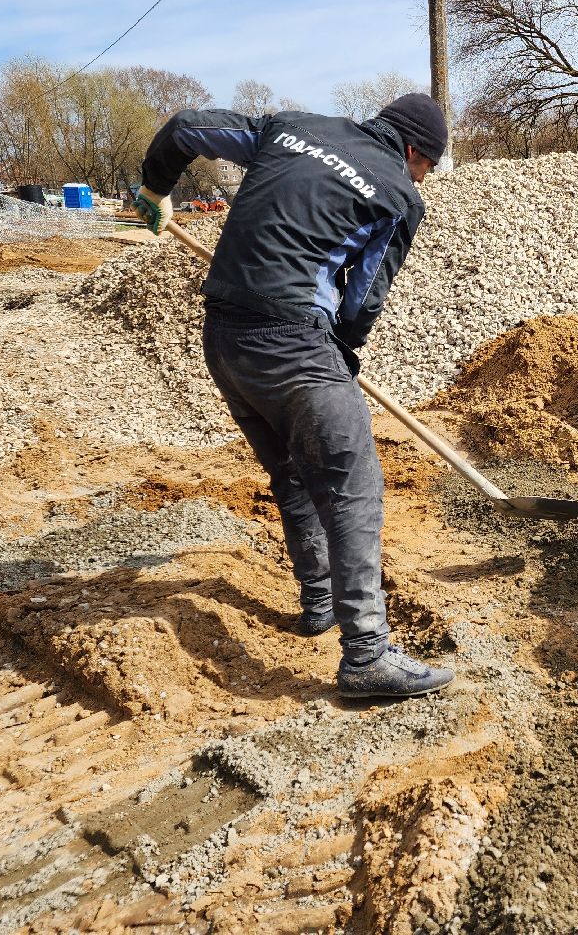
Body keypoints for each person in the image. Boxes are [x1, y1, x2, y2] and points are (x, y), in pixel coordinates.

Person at [132, 94, 454, 699]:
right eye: (427, 168)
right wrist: (341, 357)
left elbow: (184, 128)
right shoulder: (398, 195)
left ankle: (319, 602)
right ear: (414, 152)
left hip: (224, 336)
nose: (422, 179)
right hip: (293, 344)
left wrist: (155, 189)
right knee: (353, 486)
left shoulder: (291, 127)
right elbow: (363, 300)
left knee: (292, 473)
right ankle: (365, 653)